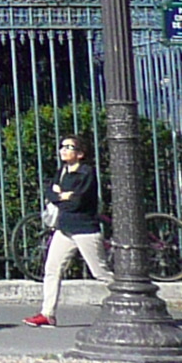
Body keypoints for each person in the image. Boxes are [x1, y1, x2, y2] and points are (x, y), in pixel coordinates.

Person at [28, 133, 108, 327]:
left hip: (84, 229)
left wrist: (61, 196)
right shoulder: (62, 171)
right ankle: (47, 314)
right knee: (52, 269)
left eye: (69, 147)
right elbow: (49, 193)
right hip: (64, 229)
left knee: (100, 272)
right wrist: (62, 196)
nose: (63, 150)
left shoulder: (86, 173)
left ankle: (128, 299)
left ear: (80, 153)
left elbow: (78, 202)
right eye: (62, 146)